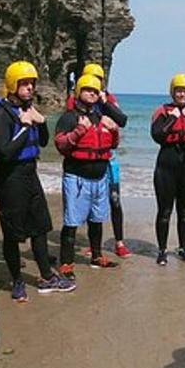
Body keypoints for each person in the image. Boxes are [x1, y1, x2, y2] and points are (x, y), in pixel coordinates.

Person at [0, 61, 75, 299]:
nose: (29, 88)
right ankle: (17, 281)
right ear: (12, 85)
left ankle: (46, 276)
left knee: (40, 226)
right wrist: (25, 127)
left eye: (31, 84)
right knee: (13, 233)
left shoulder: (29, 109)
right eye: (24, 84)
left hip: (30, 174)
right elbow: (4, 152)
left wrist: (41, 121)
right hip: (9, 178)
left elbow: (44, 142)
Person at [54, 74, 121, 275]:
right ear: (79, 92)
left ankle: (97, 255)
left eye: (95, 91)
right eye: (87, 90)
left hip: (100, 176)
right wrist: (78, 132)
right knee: (71, 221)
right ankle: (66, 262)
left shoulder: (101, 118)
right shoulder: (69, 117)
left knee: (97, 219)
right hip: (77, 177)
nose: (92, 94)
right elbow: (60, 145)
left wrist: (115, 131)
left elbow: (114, 145)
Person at [150, 73, 185, 265]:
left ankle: (183, 248)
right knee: (164, 211)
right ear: (172, 92)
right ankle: (162, 251)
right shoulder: (162, 111)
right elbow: (157, 135)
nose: (182, 95)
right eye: (179, 91)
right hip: (166, 164)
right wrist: (172, 119)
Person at [76, 63, 131, 258]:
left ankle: (119, 241)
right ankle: (94, 244)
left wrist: (105, 103)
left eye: (97, 81)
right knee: (90, 201)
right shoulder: (77, 101)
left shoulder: (108, 99)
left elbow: (122, 120)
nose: (93, 85)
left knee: (114, 200)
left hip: (109, 159)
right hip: (88, 162)